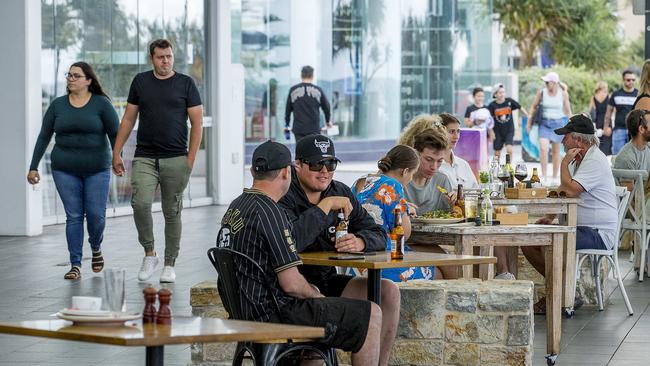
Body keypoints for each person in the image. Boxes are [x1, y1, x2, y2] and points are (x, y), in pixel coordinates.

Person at [218, 141, 382, 365]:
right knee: (371, 314)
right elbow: (292, 284)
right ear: (287, 172)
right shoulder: (270, 212)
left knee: (324, 315)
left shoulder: (237, 206)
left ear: (253, 171)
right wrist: (317, 296)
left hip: (244, 311)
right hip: (273, 314)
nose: (324, 170)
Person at [278, 135, 399, 365]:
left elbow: (379, 233)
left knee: (388, 292)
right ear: (298, 165)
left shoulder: (339, 190)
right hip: (295, 288)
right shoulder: (284, 193)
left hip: (327, 280)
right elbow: (291, 242)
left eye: (331, 164)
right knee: (365, 314)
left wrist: (361, 241)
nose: (324, 171)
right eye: (316, 164)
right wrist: (325, 207)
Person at [112, 39, 203, 283]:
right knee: (140, 204)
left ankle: (169, 264)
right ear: (152, 58)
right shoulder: (141, 82)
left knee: (172, 211)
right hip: (145, 156)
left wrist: (190, 159)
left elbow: (197, 123)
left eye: (169, 56)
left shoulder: (185, 83)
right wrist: (116, 151)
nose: (166, 61)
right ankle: (149, 253)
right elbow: (129, 119)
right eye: (161, 57)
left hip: (176, 158)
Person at [27, 62, 119, 280]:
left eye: (76, 76)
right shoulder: (58, 105)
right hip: (64, 169)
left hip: (97, 168)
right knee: (74, 216)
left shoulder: (102, 104)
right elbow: (44, 136)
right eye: (69, 75)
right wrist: (33, 166)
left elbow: (115, 133)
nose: (70, 78)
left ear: (88, 80)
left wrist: (117, 158)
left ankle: (95, 247)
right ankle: (75, 264)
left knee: (96, 215)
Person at [522, 114, 618, 313]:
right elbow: (563, 191)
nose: (562, 140)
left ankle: (559, 296)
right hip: (579, 228)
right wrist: (549, 217)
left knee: (552, 241)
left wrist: (564, 163)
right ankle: (566, 292)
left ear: (579, 140)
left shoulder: (594, 160)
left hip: (597, 233)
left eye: (566, 136)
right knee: (529, 240)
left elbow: (572, 190)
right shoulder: (579, 160)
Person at [353, 145, 440, 281]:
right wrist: (405, 212)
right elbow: (404, 233)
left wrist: (403, 206)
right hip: (384, 261)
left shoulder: (361, 181)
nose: (411, 178)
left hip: (355, 264)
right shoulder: (392, 185)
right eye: (412, 174)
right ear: (405, 171)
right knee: (437, 272)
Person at [528, 71, 572, 181]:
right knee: (543, 148)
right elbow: (533, 107)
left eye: (548, 82)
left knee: (556, 151)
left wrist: (571, 124)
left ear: (555, 82)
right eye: (545, 82)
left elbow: (568, 111)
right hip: (544, 123)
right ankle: (544, 175)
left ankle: (553, 177)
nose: (546, 84)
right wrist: (529, 122)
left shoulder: (563, 93)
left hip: (558, 124)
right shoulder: (542, 92)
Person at [284, 66, 332, 141]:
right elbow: (327, 107)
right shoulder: (318, 90)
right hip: (314, 128)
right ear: (312, 76)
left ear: (301, 75)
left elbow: (288, 110)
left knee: (301, 151)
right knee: (314, 151)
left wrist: (287, 124)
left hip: (299, 129)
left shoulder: (293, 90)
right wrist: (328, 121)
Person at [438, 113, 478, 189]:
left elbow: (476, 190)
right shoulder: (434, 167)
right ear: (439, 133)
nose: (456, 136)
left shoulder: (463, 164)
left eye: (458, 131)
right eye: (451, 131)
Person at [488, 83, 528, 159]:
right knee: (497, 152)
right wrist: (491, 132)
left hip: (509, 130)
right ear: (495, 94)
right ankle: (496, 168)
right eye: (500, 92)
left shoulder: (509, 101)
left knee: (509, 149)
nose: (502, 94)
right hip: (497, 132)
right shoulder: (492, 105)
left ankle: (508, 167)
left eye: (503, 92)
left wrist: (528, 115)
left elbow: (520, 107)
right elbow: (488, 120)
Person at [604, 70, 638, 155]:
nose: (631, 82)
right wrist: (606, 127)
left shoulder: (638, 94)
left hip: (635, 131)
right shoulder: (616, 94)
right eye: (628, 80)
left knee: (634, 155)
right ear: (623, 80)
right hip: (619, 129)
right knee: (617, 156)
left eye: (633, 80)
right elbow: (608, 112)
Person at [588, 81, 611, 155]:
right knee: (607, 141)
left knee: (598, 140)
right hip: (607, 120)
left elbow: (590, 111)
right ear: (602, 88)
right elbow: (612, 110)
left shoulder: (593, 97)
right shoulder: (608, 97)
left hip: (598, 120)